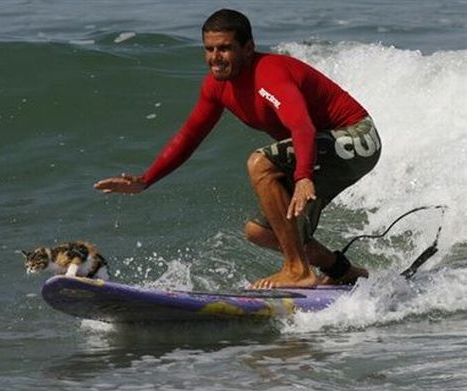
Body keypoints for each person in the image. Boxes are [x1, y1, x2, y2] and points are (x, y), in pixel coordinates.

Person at [94, 9, 381, 289]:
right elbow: (190, 135)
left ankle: (297, 270)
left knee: (260, 162)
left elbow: (302, 127)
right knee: (262, 232)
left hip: (356, 138)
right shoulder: (217, 87)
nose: (214, 58)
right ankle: (342, 271)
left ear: (248, 48)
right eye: (209, 49)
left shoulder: (270, 75)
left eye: (224, 48)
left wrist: (303, 175)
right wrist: (147, 179)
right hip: (317, 147)